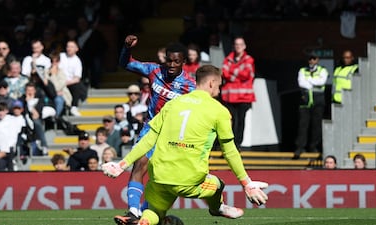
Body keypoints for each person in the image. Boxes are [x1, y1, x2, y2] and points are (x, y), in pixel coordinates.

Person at [102, 65, 268, 225]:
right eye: (219, 85)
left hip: (159, 175)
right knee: (218, 185)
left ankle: (143, 222)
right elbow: (229, 151)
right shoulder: (220, 111)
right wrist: (246, 183)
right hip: (189, 180)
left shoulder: (172, 104)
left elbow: (148, 139)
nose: (220, 89)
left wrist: (122, 165)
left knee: (154, 211)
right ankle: (216, 208)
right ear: (211, 83)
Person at [116, 34, 196, 224]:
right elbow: (126, 63)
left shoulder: (191, 86)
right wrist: (127, 48)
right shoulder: (154, 70)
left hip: (174, 136)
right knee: (139, 164)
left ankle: (145, 214)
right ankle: (133, 212)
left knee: (164, 179)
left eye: (176, 61)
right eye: (169, 60)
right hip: (152, 129)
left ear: (184, 62)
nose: (171, 64)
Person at [221, 36, 256, 149]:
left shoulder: (249, 59)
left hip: (244, 97)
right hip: (229, 97)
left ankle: (237, 144)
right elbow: (224, 73)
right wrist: (237, 72)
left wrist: (232, 72)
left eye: (240, 44)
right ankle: (229, 144)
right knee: (230, 121)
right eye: (236, 44)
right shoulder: (227, 59)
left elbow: (246, 74)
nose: (238, 47)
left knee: (240, 121)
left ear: (244, 46)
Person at [293, 53, 329, 159]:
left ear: (317, 60)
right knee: (303, 126)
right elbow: (301, 83)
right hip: (305, 102)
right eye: (310, 59)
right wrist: (312, 82)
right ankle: (300, 147)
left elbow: (321, 81)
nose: (312, 61)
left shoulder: (323, 70)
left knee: (316, 125)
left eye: (314, 59)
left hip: (318, 102)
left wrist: (308, 81)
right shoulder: (302, 70)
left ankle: (314, 147)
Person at [59, 40, 87, 116]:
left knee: (78, 86)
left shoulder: (77, 61)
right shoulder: (61, 56)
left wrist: (65, 83)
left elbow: (77, 78)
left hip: (69, 82)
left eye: (71, 47)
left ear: (76, 49)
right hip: (58, 81)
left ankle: (74, 107)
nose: (69, 48)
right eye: (68, 46)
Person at [47, 52, 72, 117]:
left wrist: (53, 75)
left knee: (59, 100)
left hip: (61, 95)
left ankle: (56, 118)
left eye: (56, 61)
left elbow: (57, 87)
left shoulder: (62, 73)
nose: (54, 63)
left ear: (59, 62)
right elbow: (47, 86)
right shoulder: (46, 72)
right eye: (52, 61)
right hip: (48, 94)